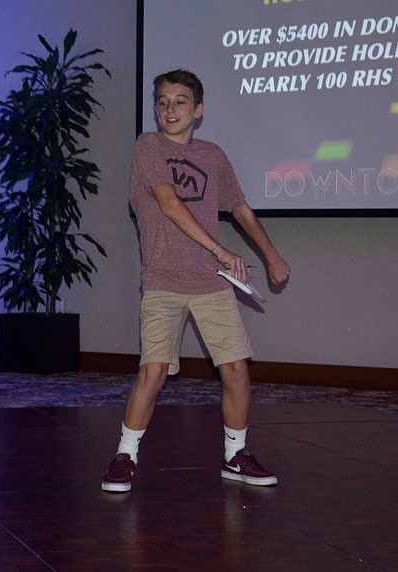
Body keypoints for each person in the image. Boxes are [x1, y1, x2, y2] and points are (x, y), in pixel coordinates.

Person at [101, 69, 291, 493]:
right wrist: (220, 249)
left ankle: (235, 456)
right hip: (164, 280)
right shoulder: (148, 147)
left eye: (181, 101)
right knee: (152, 372)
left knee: (237, 370)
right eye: (163, 101)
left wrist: (271, 253)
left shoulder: (214, 155)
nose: (170, 109)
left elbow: (240, 209)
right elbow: (168, 203)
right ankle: (125, 455)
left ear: (198, 110)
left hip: (211, 282)